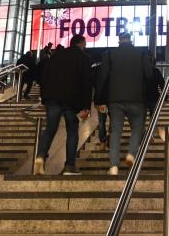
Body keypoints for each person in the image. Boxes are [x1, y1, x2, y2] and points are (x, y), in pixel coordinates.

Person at [34, 34, 93, 175]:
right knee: (72, 131)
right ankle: (69, 166)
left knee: (50, 129)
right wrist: (86, 106)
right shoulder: (84, 58)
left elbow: (45, 75)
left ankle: (41, 156)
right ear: (81, 43)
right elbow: (86, 83)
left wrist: (44, 98)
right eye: (85, 43)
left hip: (52, 98)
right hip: (71, 100)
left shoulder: (56, 55)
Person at [95, 32, 152, 175]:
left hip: (115, 99)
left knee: (115, 132)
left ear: (119, 40)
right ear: (130, 40)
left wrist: (98, 99)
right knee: (137, 129)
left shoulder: (109, 54)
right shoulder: (141, 54)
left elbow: (103, 76)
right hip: (137, 99)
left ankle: (114, 166)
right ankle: (131, 154)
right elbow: (149, 75)